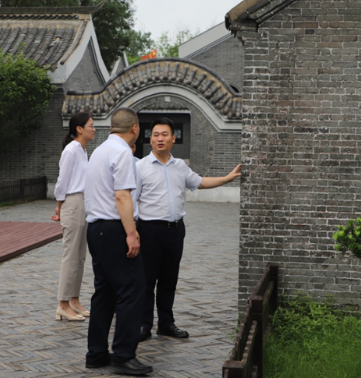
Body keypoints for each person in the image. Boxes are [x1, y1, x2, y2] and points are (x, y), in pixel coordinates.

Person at [136, 118, 241, 342]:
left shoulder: (180, 166)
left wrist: (228, 178)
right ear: (150, 138)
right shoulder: (140, 167)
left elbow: (199, 182)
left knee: (169, 279)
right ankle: (144, 324)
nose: (160, 138)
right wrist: (132, 231)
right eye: (156, 134)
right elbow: (131, 200)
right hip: (149, 230)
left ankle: (166, 323)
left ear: (173, 138)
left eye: (165, 134)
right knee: (146, 281)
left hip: (175, 231)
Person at [83, 108, 152, 376]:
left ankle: (97, 353)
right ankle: (123, 355)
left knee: (105, 292)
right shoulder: (123, 153)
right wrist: (131, 233)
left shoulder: (99, 150)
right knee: (132, 290)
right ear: (135, 129)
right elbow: (122, 196)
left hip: (96, 228)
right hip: (114, 229)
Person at [52, 112, 95, 322]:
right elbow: (63, 181)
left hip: (83, 203)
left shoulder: (83, 150)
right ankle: (62, 304)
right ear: (79, 129)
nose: (93, 129)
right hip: (73, 202)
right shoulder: (71, 150)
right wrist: (59, 206)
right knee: (70, 255)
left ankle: (74, 300)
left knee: (80, 255)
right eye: (90, 125)